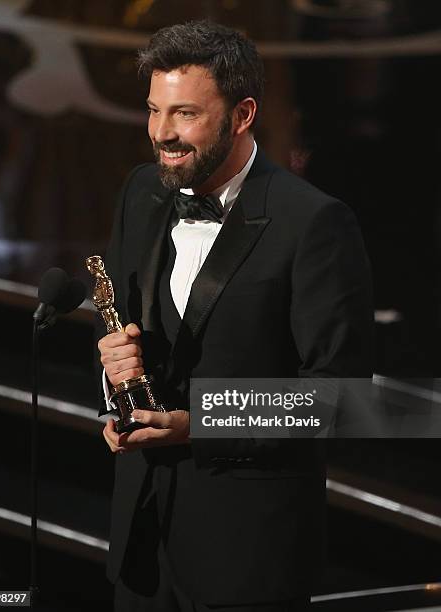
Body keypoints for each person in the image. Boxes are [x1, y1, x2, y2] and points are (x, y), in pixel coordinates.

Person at [95, 20, 373, 612]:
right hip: (140, 544)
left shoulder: (314, 223)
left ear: (242, 114)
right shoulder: (141, 191)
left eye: (185, 115)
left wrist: (197, 423)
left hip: (248, 556)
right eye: (153, 110)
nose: (161, 134)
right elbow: (121, 329)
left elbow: (342, 398)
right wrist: (113, 378)